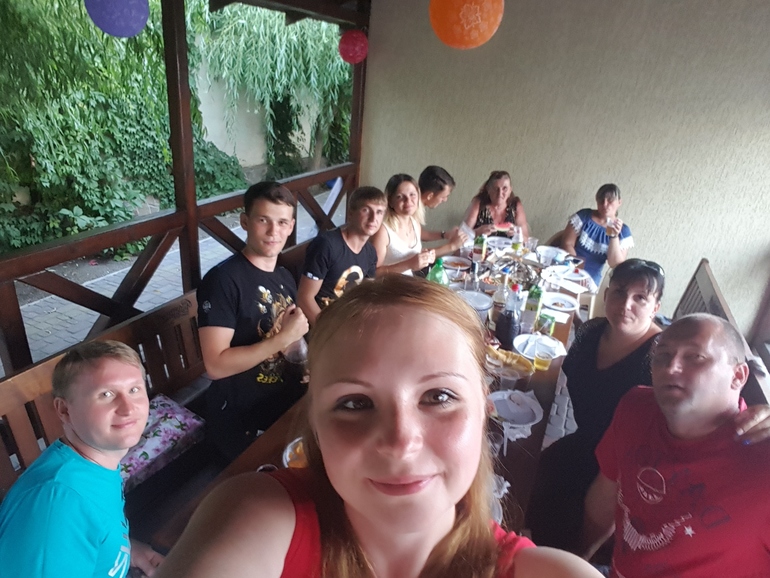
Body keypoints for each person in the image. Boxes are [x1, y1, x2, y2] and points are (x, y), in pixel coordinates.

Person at [155, 276, 602, 578]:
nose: (401, 443)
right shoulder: (255, 514)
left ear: (485, 409)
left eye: (438, 396)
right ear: (314, 421)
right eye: (355, 403)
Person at [581, 314, 770, 577]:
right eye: (663, 355)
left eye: (695, 357)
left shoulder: (762, 465)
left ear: (738, 376)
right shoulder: (636, 408)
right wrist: (578, 558)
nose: (671, 368)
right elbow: (605, 495)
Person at [525, 259, 665, 551]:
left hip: (620, 473)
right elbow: (565, 371)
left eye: (640, 298)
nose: (626, 304)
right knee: (526, 479)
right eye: (619, 292)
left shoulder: (659, 361)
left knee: (561, 530)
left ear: (655, 308)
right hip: (584, 445)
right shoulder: (591, 332)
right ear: (607, 294)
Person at [0, 340, 164, 577]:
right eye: (106, 394)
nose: (128, 408)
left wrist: (122, 550)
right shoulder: (58, 503)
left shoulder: (92, 465)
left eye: (134, 390)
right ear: (64, 410)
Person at [197, 181, 309, 462]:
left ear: (291, 226)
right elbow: (215, 365)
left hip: (284, 400)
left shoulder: (284, 276)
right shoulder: (223, 281)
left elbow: (291, 336)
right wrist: (283, 338)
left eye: (282, 222)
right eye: (263, 220)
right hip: (242, 417)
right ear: (245, 222)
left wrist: (308, 363)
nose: (274, 232)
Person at [297, 185, 386, 326]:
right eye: (366, 210)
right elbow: (304, 298)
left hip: (346, 320)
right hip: (319, 323)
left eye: (379, 212)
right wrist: (328, 332)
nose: (373, 218)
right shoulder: (327, 245)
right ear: (350, 213)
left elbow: (366, 296)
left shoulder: (370, 253)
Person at [561, 184, 633, 286]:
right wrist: (576, 269)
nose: (605, 204)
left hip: (590, 279)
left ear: (619, 202)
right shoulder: (584, 216)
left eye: (610, 200)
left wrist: (614, 236)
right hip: (569, 267)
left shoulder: (623, 231)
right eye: (601, 200)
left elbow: (614, 264)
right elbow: (567, 243)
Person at [371, 174, 435, 275]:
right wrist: (409, 264)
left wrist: (424, 256)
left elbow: (411, 261)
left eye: (412, 194)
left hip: (408, 282)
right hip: (386, 284)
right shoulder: (383, 231)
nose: (408, 201)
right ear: (390, 201)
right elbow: (373, 272)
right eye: (400, 197)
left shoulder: (415, 224)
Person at [463, 170, 529, 238]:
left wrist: (518, 234)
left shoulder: (515, 205)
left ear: (510, 190)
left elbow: (526, 237)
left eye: (505, 188)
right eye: (496, 189)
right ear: (488, 190)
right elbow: (463, 234)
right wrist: (477, 232)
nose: (500, 193)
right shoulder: (479, 203)